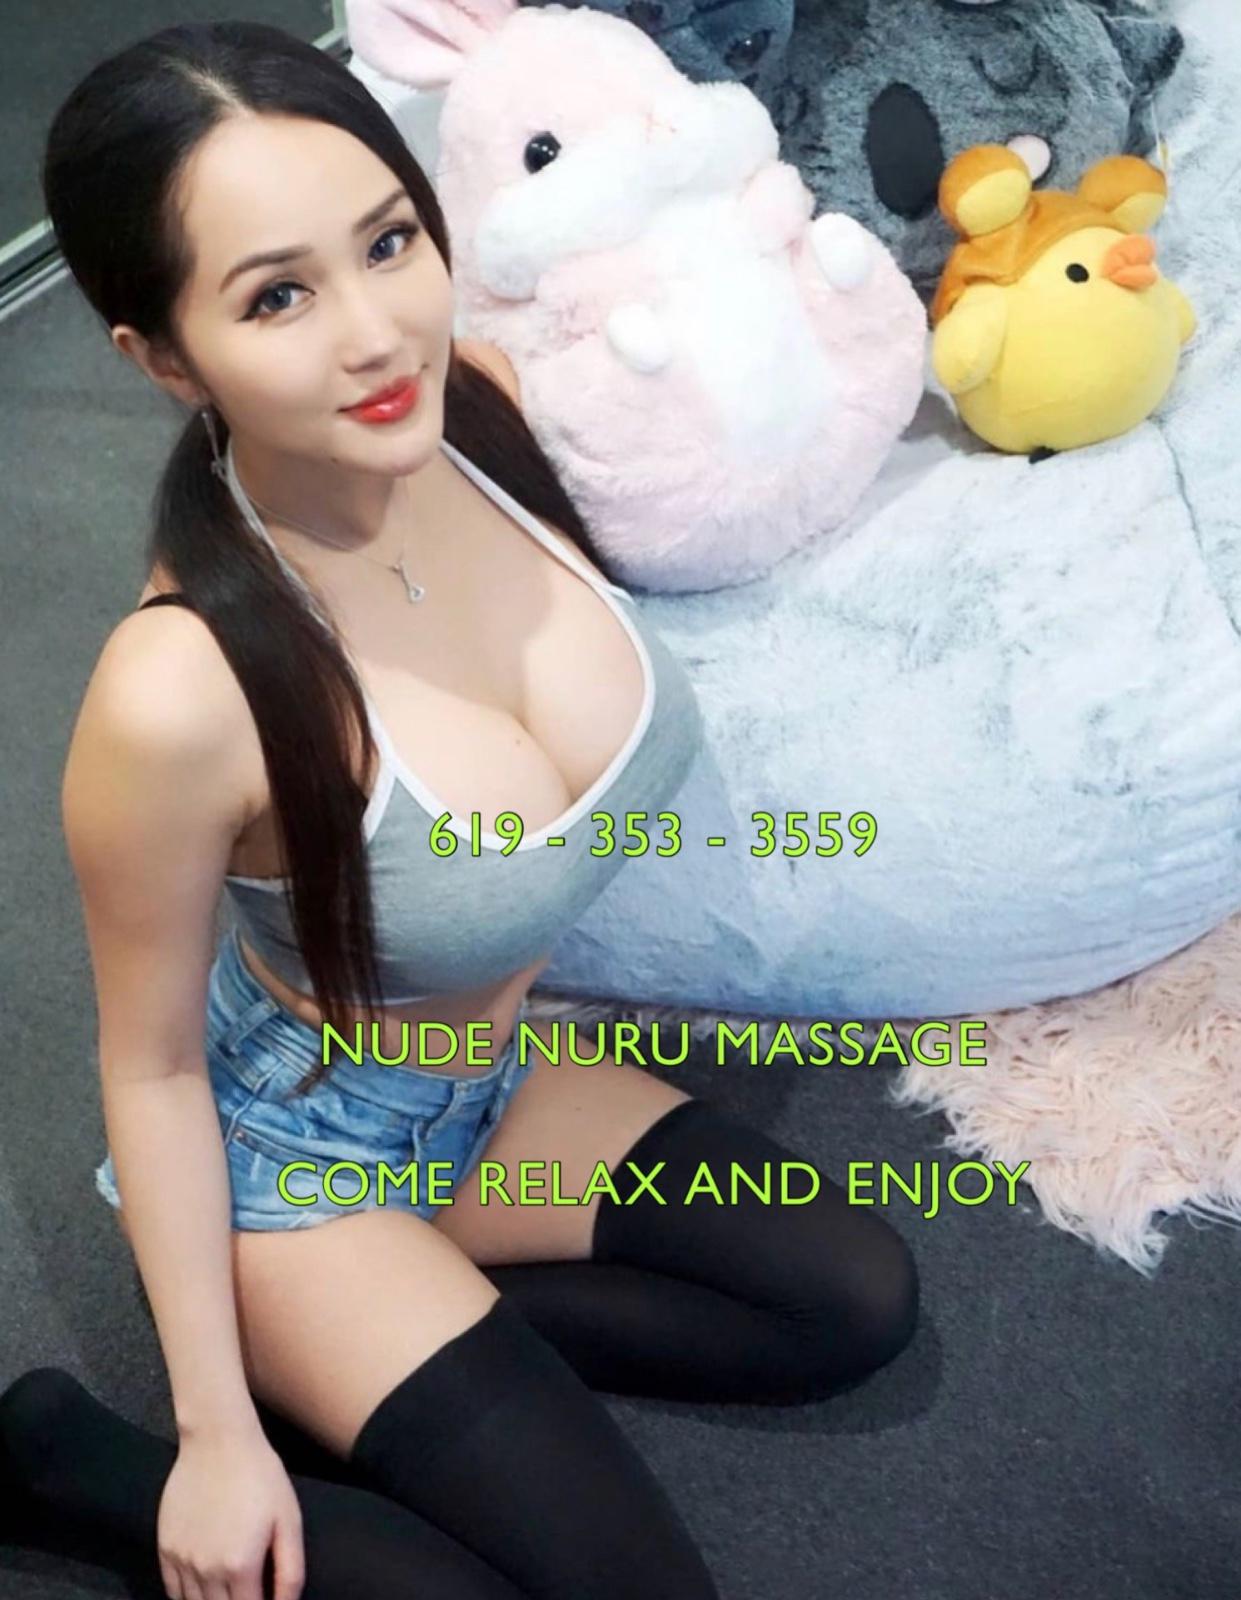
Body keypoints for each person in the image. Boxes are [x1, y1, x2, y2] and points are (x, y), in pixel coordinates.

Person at [0, 20, 919, 1600]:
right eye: (276, 296)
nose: (377, 336)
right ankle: (82, 1462)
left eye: (387, 243)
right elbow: (147, 1068)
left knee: (848, 1300)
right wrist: (214, 1433)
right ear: (162, 359)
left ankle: (408, 1353)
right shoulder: (180, 691)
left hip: (486, 1091)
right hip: (297, 1162)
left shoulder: (477, 413)